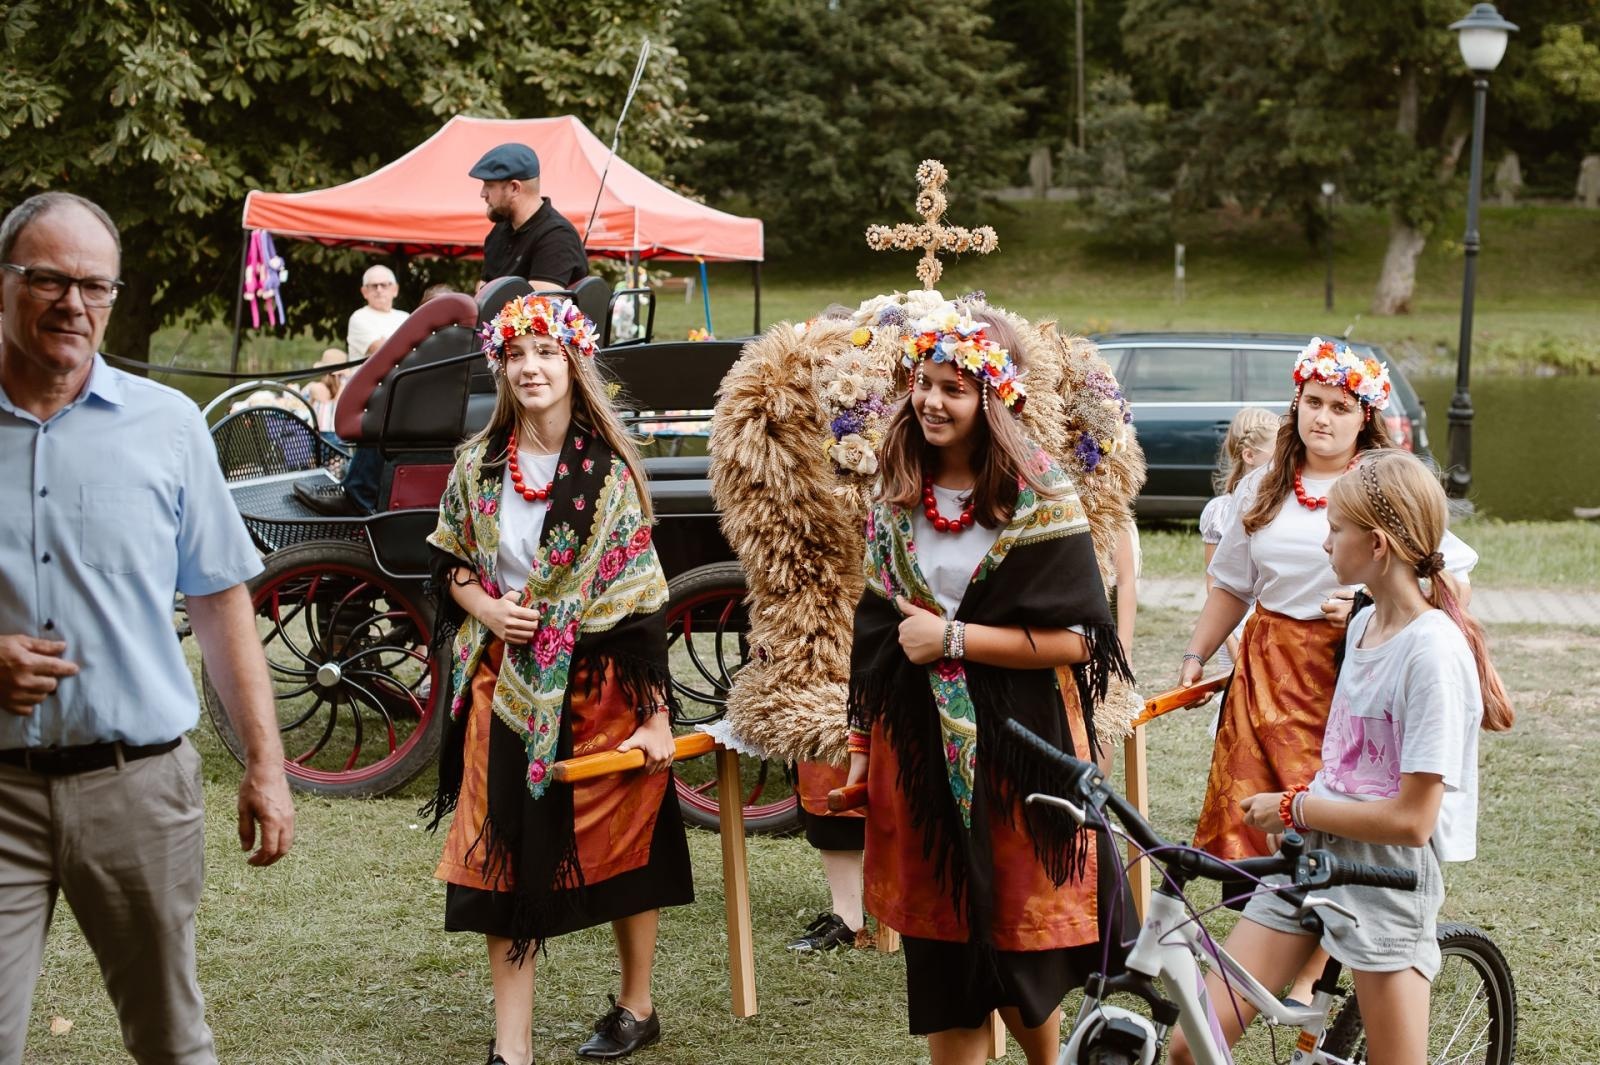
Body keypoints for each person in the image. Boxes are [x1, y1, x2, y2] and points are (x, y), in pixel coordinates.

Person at [0, 191, 294, 1064]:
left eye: (95, 286)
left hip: (137, 790)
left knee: (171, 1040)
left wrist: (268, 769)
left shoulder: (167, 427)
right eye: (48, 279)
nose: (73, 304)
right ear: (5, 281)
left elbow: (220, 598)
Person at [845, 299, 1132, 1065]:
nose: (933, 401)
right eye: (924, 383)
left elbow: (1076, 640)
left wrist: (954, 639)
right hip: (918, 751)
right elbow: (875, 629)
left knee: (1019, 954)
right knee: (946, 959)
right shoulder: (895, 489)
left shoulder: (1042, 499)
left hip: (1018, 744)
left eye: (955, 387)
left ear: (994, 398)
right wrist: (855, 750)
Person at [1168, 449, 1514, 1065]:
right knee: (1192, 1045)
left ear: (1376, 544)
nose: (1324, 543)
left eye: (1334, 529)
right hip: (1312, 861)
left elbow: (1412, 822)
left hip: (1386, 877)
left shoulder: (1432, 656)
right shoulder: (1361, 626)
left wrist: (1298, 808)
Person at [423, 294, 693, 1065]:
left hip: (602, 689)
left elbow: (642, 605)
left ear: (574, 362)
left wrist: (656, 717)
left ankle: (637, 1004)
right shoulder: (477, 466)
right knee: (497, 858)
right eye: (516, 353)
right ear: (500, 367)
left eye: (545, 351)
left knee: (625, 846)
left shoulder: (607, 476)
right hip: (501, 690)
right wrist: (487, 606)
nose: (531, 366)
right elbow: (448, 564)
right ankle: (512, 1049)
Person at [1177, 340, 1474, 998]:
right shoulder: (1264, 483)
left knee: (1332, 805)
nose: (1323, 418)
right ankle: (1272, 933)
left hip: (1344, 667)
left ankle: (1315, 966)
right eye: (1313, 402)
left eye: (1340, 407)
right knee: (1258, 825)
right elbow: (1230, 582)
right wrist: (1197, 654)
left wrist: (1365, 604)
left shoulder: (1383, 487)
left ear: (1362, 417)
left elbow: (1443, 573)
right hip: (1267, 669)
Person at [1198, 407, 1279, 680]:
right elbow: (1216, 584)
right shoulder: (1220, 511)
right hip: (1233, 628)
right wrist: (1231, 642)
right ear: (1249, 454)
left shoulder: (1282, 506)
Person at [470, 143, 588, 293]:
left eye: (489, 185)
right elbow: (483, 293)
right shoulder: (499, 232)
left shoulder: (557, 236)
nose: (483, 194)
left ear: (514, 188)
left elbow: (538, 309)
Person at [346, 264, 410, 359]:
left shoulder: (405, 317)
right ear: (364, 292)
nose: (379, 290)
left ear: (395, 289)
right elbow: (384, 351)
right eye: (374, 286)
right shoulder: (359, 317)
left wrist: (388, 342)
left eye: (384, 285)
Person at [304, 347, 351, 442]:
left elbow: (307, 406)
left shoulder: (314, 387)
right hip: (339, 435)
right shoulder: (346, 389)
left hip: (317, 435)